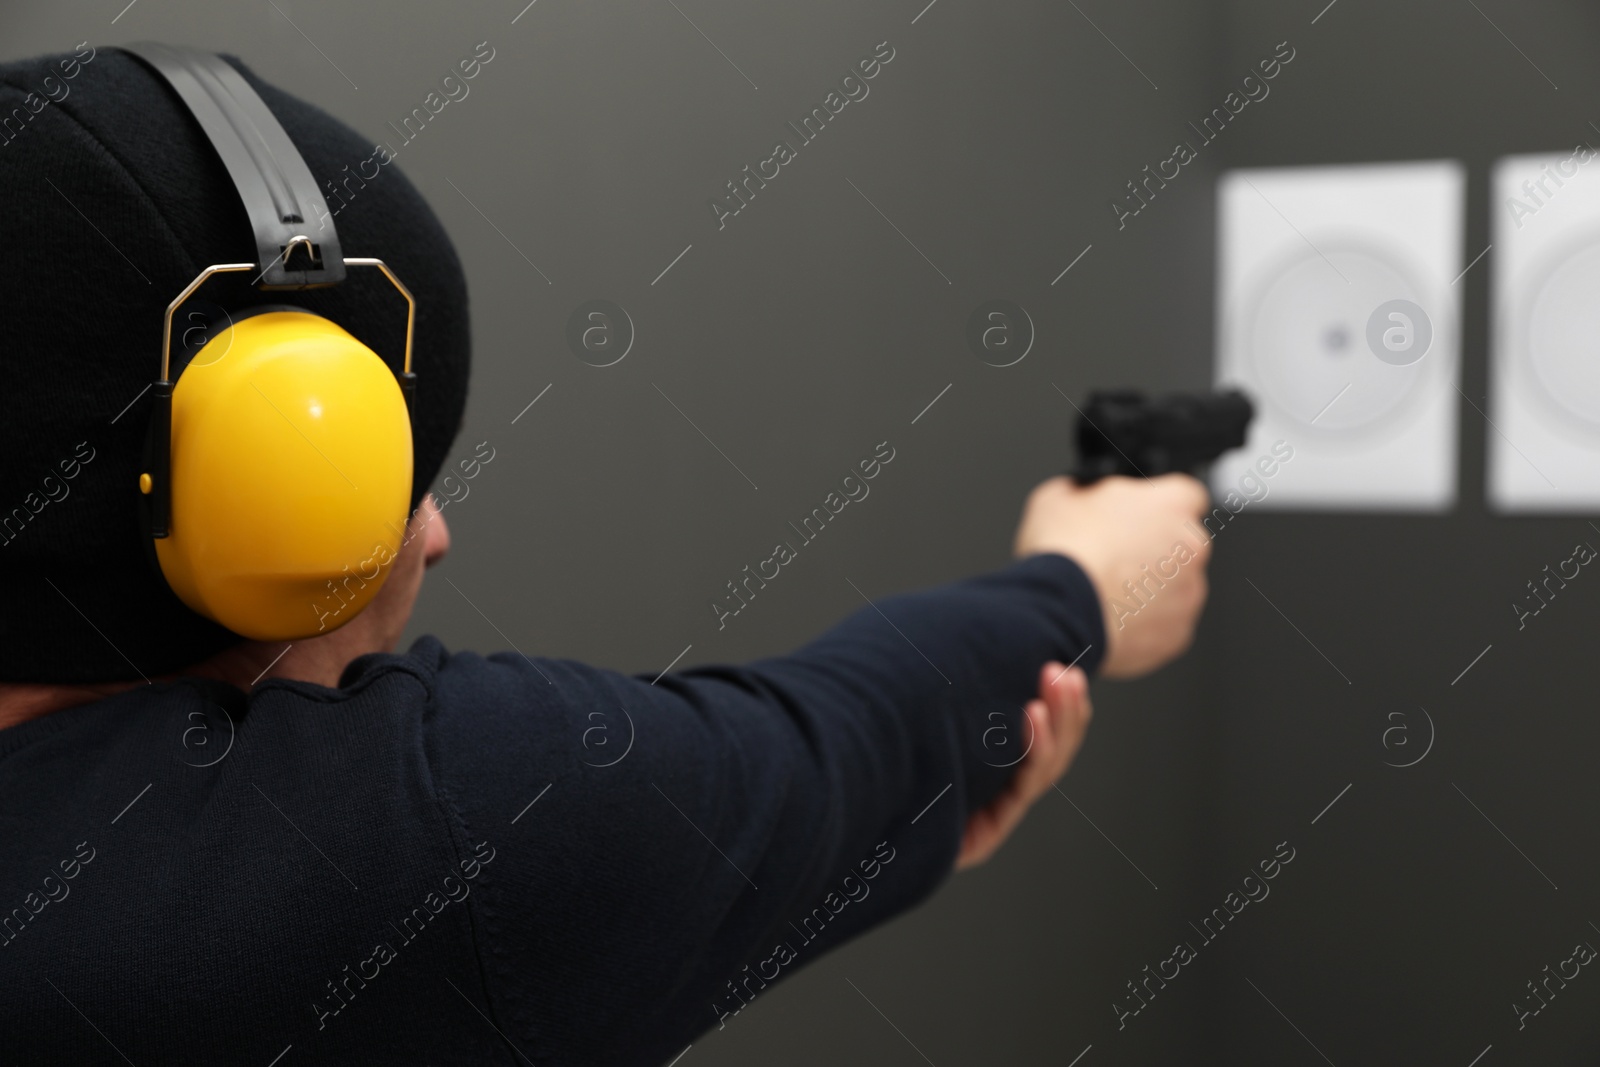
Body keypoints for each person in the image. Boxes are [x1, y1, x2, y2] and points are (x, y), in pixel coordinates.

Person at [0, 45, 1213, 1066]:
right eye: (384, 475)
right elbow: (833, 744)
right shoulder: (415, 846)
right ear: (257, 477)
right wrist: (1086, 581)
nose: (432, 531)